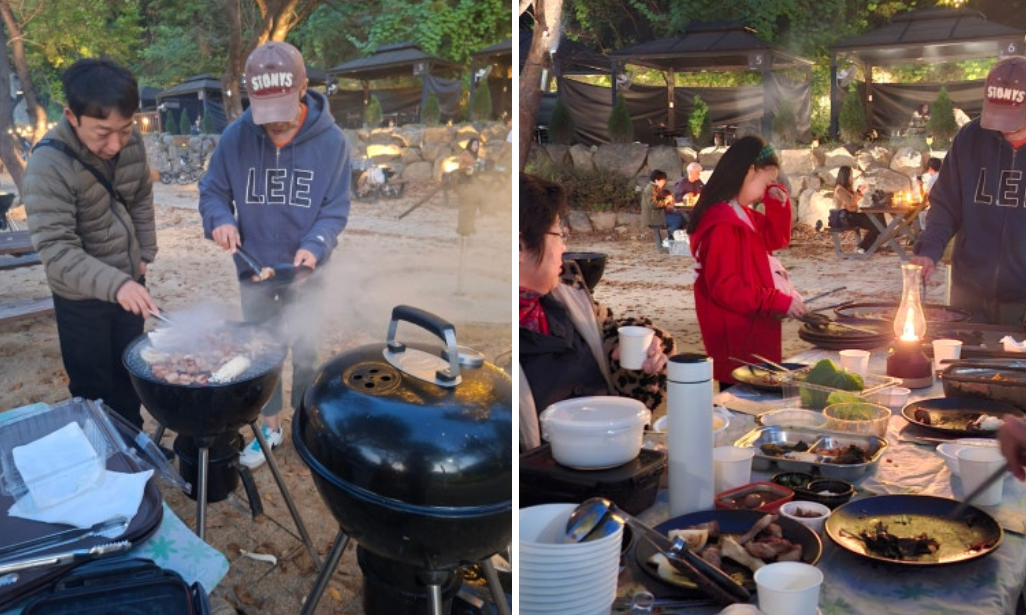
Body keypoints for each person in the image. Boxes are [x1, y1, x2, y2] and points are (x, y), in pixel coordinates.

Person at [199, 41, 351, 469]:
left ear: (303, 88)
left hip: (308, 270)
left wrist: (315, 246)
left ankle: (304, 422)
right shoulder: (236, 137)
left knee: (306, 349)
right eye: (266, 116)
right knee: (263, 349)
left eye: (282, 115)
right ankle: (270, 424)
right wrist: (219, 220)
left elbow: (335, 209)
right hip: (255, 270)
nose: (274, 128)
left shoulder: (332, 143)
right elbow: (212, 191)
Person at [23, 58, 158, 429]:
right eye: (102, 133)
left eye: (125, 129)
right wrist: (118, 284)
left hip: (129, 285)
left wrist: (145, 252)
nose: (115, 144)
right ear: (72, 116)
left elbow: (141, 196)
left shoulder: (129, 143)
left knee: (130, 376)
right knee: (93, 387)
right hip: (81, 299)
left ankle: (132, 447)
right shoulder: (48, 165)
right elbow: (56, 250)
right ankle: (101, 456)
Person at [519, 174, 674, 450]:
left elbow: (606, 331)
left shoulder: (566, 292)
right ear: (519, 247)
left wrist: (640, 347)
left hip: (610, 460)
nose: (564, 248)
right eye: (558, 234)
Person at [911, 56, 1026, 326]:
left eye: (1014, 120)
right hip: (969, 293)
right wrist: (929, 250)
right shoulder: (970, 138)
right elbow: (946, 205)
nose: (1003, 128)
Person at [686, 136, 807, 385]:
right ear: (749, 171)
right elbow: (726, 288)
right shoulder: (722, 223)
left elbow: (776, 238)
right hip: (737, 337)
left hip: (750, 328)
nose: (766, 190)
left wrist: (777, 202)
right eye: (767, 182)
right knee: (741, 401)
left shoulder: (740, 213)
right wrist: (777, 300)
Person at [833, 165, 881, 254]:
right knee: (876, 225)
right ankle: (861, 247)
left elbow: (853, 203)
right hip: (846, 217)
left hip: (852, 215)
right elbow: (850, 203)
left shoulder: (846, 188)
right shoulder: (839, 189)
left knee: (878, 219)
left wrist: (858, 193)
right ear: (845, 176)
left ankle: (873, 244)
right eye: (850, 175)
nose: (852, 178)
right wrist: (858, 192)